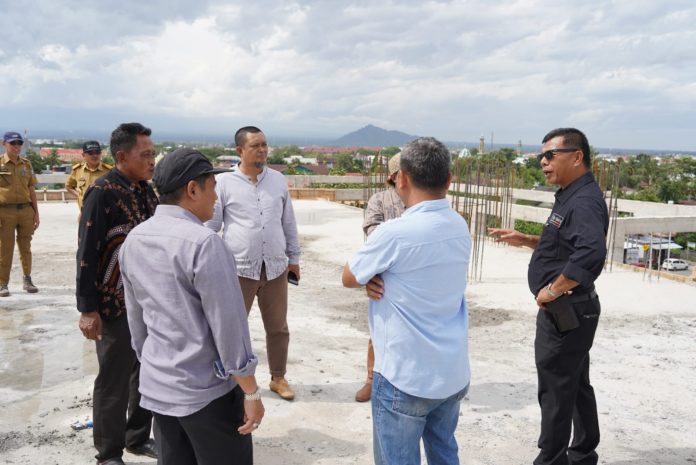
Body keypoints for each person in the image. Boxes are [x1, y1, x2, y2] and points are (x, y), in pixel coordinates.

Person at [119, 148, 264, 465]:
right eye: (213, 187)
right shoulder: (204, 243)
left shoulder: (134, 239)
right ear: (193, 189)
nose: (215, 198)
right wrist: (250, 391)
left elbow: (137, 321)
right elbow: (229, 327)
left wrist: (156, 365)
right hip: (206, 392)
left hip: (160, 386)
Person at [342, 137, 472, 465]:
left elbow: (349, 276)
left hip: (406, 375)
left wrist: (373, 274)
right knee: (444, 453)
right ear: (449, 180)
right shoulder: (459, 225)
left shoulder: (395, 233)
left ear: (402, 178)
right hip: (451, 372)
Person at [489, 128, 608, 465]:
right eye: (541, 156)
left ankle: (551, 459)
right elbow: (566, 245)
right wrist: (527, 239)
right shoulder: (571, 194)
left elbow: (590, 253)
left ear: (576, 156)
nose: (543, 162)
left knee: (555, 386)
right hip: (572, 309)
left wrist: (553, 289)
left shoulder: (583, 200)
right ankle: (583, 452)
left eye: (550, 155)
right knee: (574, 382)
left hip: (567, 307)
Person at [76, 123, 158, 465]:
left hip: (148, 301)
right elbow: (86, 253)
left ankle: (136, 438)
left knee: (146, 372)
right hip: (113, 304)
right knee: (113, 378)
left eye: (154, 154)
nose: (152, 160)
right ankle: (108, 454)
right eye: (146, 154)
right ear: (122, 156)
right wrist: (88, 309)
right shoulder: (102, 191)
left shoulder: (145, 190)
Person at [206, 126, 300, 401]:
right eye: (255, 145)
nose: (262, 150)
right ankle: (231, 378)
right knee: (233, 326)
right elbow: (212, 225)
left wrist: (294, 259)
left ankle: (278, 378)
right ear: (239, 151)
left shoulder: (278, 180)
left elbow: (288, 223)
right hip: (238, 268)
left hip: (274, 268)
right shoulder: (223, 183)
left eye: (264, 145)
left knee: (278, 326)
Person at [355, 153, 405, 402]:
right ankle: (372, 381)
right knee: (380, 331)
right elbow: (373, 234)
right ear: (394, 176)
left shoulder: (424, 201)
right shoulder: (380, 200)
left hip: (413, 277)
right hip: (386, 276)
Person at [0, 131, 39, 297]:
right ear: (4, 144)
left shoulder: (26, 165)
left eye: (19, 144)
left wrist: (36, 213)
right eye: (12, 143)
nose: (16, 147)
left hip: (25, 210)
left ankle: (27, 279)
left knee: (26, 247)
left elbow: (31, 189)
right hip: (5, 211)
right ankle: (3, 283)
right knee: (5, 248)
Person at [65, 140, 112, 209]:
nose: (95, 155)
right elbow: (68, 186)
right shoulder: (77, 170)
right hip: (84, 213)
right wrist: (80, 196)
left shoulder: (109, 171)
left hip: (104, 214)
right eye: (91, 153)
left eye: (97, 153)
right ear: (83, 155)